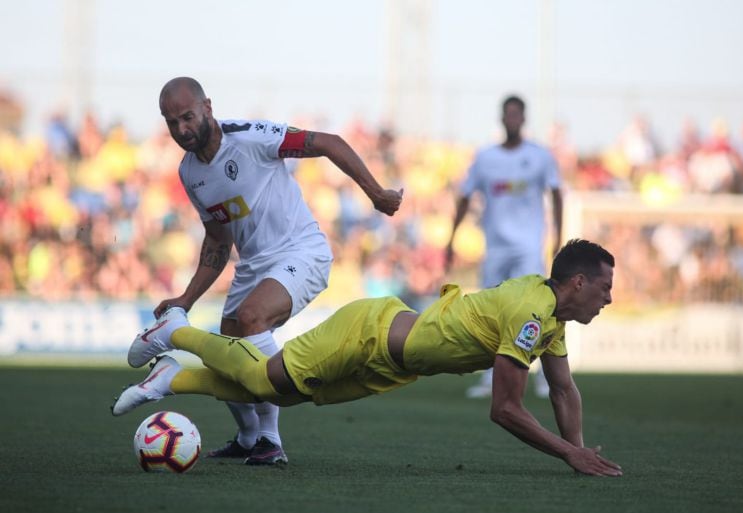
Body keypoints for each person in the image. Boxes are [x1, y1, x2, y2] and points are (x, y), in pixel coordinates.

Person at [113, 239, 622, 476]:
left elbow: (561, 387)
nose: (609, 298)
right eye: (604, 288)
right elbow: (505, 408)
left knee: (282, 397)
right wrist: (567, 453)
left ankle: (174, 379)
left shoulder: (551, 317)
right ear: (577, 283)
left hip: (392, 366)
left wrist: (582, 453)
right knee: (267, 382)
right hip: (369, 332)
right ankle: (177, 331)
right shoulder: (531, 311)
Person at [149, 77, 403, 465]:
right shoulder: (190, 174)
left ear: (208, 107)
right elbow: (218, 242)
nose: (182, 129)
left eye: (187, 117)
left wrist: (376, 194)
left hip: (301, 251)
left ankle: (271, 440)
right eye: (172, 123)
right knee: (222, 355)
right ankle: (249, 438)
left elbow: (328, 142)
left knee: (253, 319)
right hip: (253, 268)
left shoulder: (251, 139)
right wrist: (186, 298)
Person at [445, 95, 563, 399]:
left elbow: (556, 193)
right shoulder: (485, 158)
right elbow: (464, 196)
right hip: (495, 248)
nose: (512, 119)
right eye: (507, 114)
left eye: (517, 114)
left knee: (539, 309)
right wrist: (451, 239)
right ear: (502, 118)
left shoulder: (539, 156)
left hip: (527, 248)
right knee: (492, 312)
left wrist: (558, 239)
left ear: (523, 119)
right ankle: (490, 377)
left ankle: (547, 379)